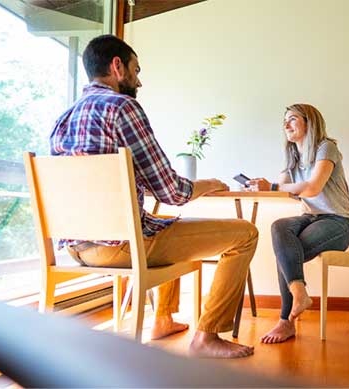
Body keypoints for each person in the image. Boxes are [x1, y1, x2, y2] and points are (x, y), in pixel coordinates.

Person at [49, 35, 258, 358]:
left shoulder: (61, 120)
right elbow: (173, 192)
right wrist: (208, 184)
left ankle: (162, 319)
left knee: (162, 222)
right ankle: (207, 337)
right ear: (117, 67)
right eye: (136, 69)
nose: (139, 80)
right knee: (245, 233)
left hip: (76, 249)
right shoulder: (122, 107)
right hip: (119, 248)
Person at [247, 104, 349, 344]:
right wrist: (258, 185)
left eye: (292, 119)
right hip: (310, 218)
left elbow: (312, 188)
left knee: (285, 253)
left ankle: (286, 321)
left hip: (337, 222)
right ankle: (298, 294)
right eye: (284, 120)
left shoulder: (327, 148)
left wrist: (273, 186)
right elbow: (281, 188)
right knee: (279, 228)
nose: (286, 125)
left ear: (310, 122)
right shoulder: (294, 156)